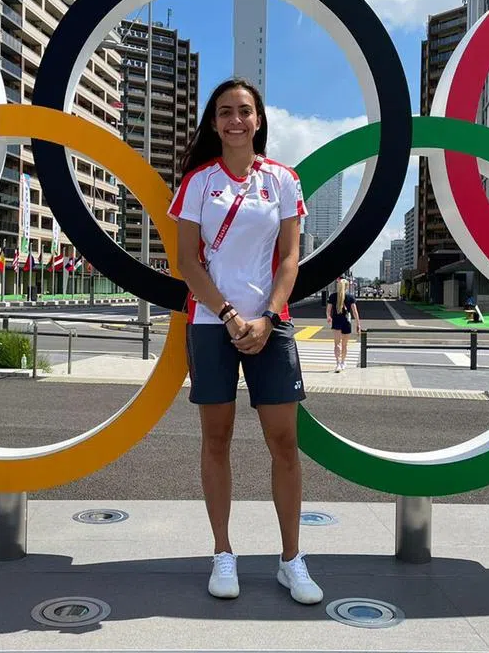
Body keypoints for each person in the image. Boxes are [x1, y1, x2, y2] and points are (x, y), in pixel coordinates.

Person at [169, 77, 322, 605]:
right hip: (212, 324)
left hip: (270, 326)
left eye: (244, 111)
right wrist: (230, 315)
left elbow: (290, 258)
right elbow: (187, 262)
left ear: (259, 120)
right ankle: (223, 552)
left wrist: (268, 317)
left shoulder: (282, 180)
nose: (235, 120)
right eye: (225, 112)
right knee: (217, 439)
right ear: (214, 123)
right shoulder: (198, 183)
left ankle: (291, 560)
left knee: (284, 443)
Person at [326, 278, 361, 372]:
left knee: (337, 344)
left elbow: (328, 310)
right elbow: (355, 312)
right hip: (346, 322)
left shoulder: (332, 296)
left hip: (336, 321)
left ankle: (337, 364)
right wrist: (358, 324)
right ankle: (343, 362)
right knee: (344, 345)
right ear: (347, 287)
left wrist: (328, 317)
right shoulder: (350, 297)